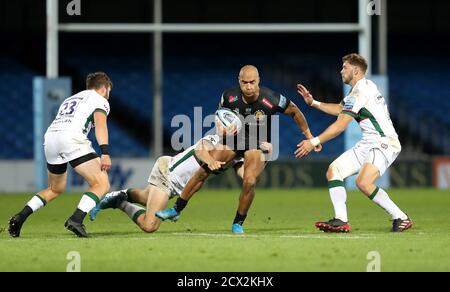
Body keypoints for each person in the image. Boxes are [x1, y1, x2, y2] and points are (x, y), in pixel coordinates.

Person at [156, 65, 320, 234]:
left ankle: (238, 223)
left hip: (256, 144)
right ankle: (176, 209)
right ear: (239, 82)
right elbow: (220, 119)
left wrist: (309, 136)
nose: (248, 86)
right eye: (244, 83)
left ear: (259, 81)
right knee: (205, 169)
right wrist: (222, 130)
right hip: (233, 141)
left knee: (249, 181)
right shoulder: (228, 97)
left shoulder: (272, 98)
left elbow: (295, 111)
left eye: (252, 82)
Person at [295, 53, 412, 233]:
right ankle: (341, 220)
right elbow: (341, 109)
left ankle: (401, 217)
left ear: (356, 70)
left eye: (345, 67)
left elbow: (341, 125)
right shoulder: (363, 87)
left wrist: (314, 141)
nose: (341, 71)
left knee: (363, 182)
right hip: (369, 143)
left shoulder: (360, 92)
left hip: (384, 142)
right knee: (334, 171)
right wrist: (313, 102)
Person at [89, 132, 272, 233]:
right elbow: (201, 150)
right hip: (168, 173)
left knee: (145, 198)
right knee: (149, 225)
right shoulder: (220, 139)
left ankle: (120, 195)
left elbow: (248, 177)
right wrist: (210, 161)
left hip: (177, 186)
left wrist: (265, 156)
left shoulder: (238, 157)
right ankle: (120, 202)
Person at [8, 72, 113, 238]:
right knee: (102, 183)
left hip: (50, 138)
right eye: (109, 91)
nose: (109, 95)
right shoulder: (100, 100)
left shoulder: (71, 99)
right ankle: (76, 219)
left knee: (55, 188)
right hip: (71, 138)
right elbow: (101, 126)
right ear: (104, 88)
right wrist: (105, 152)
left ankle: (20, 217)